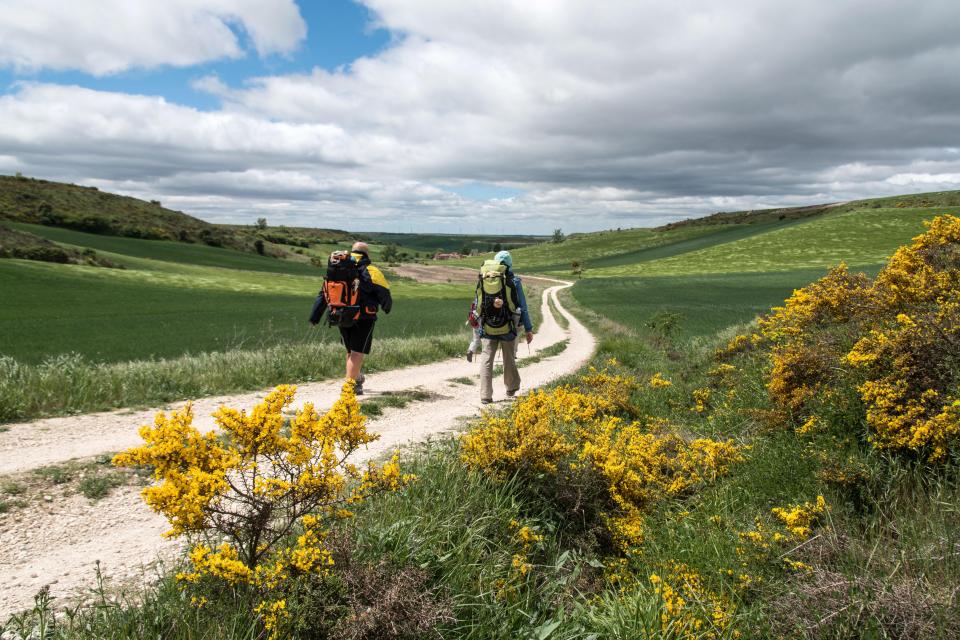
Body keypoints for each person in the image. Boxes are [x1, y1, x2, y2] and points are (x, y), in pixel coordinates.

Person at [309, 241, 392, 395]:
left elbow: (324, 293)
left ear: (353, 251)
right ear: (366, 254)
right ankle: (349, 388)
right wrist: (387, 308)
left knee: (350, 350)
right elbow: (384, 293)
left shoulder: (337, 268)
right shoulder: (371, 270)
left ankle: (357, 379)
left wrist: (314, 317)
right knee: (357, 352)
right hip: (364, 317)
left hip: (341, 314)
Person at [476, 250, 533, 403]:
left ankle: (485, 395)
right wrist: (528, 328)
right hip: (508, 325)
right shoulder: (514, 281)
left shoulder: (484, 276)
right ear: (509, 264)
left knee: (487, 359)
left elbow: (478, 301)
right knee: (509, 357)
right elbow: (523, 306)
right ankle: (511, 387)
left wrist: (478, 321)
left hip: (488, 324)